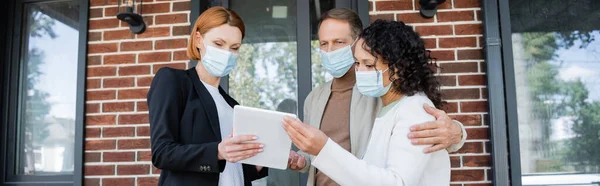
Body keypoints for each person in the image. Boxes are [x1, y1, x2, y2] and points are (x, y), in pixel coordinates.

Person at [286, 8, 466, 186]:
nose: (361, 71)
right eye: (323, 43)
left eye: (369, 65)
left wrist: (457, 132)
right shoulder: (320, 98)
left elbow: (398, 178)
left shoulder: (397, 100)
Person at [147, 7, 270, 186]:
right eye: (219, 44)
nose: (227, 53)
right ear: (198, 40)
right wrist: (217, 152)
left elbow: (230, 169)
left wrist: (261, 161)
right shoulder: (174, 82)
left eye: (234, 48)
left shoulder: (232, 105)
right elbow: (162, 153)